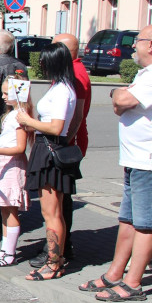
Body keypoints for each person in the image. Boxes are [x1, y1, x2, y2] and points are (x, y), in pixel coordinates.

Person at [68, 25, 152, 301]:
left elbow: (124, 99)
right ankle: (115, 274)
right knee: (128, 220)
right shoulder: (151, 72)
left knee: (145, 223)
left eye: (138, 41)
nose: (133, 46)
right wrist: (119, 99)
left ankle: (133, 283)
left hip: (151, 158)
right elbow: (121, 101)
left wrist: (119, 98)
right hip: (137, 157)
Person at [16, 43, 78, 280]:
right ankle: (55, 260)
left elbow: (57, 126)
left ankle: (53, 262)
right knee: (54, 212)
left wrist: (29, 122)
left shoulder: (62, 90)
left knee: (51, 212)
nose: (41, 65)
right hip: (48, 147)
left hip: (50, 149)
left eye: (44, 61)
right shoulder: (60, 87)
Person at [0, 79, 32, 267]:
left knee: (10, 211)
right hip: (5, 165)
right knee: (4, 209)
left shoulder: (20, 115)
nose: (2, 97)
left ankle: (9, 254)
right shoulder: (10, 115)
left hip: (14, 166)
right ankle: (5, 249)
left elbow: (19, 147)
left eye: (5, 93)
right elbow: (7, 143)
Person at [50, 32, 91, 263]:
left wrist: (64, 143)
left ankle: (62, 249)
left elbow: (77, 114)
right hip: (66, 141)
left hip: (67, 144)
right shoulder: (71, 71)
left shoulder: (75, 74)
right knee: (61, 197)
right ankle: (60, 245)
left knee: (62, 198)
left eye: (54, 46)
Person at [0, 30, 28, 229]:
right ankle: (4, 216)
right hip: (17, 118)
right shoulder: (20, 66)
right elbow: (24, 97)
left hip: (0, 123)